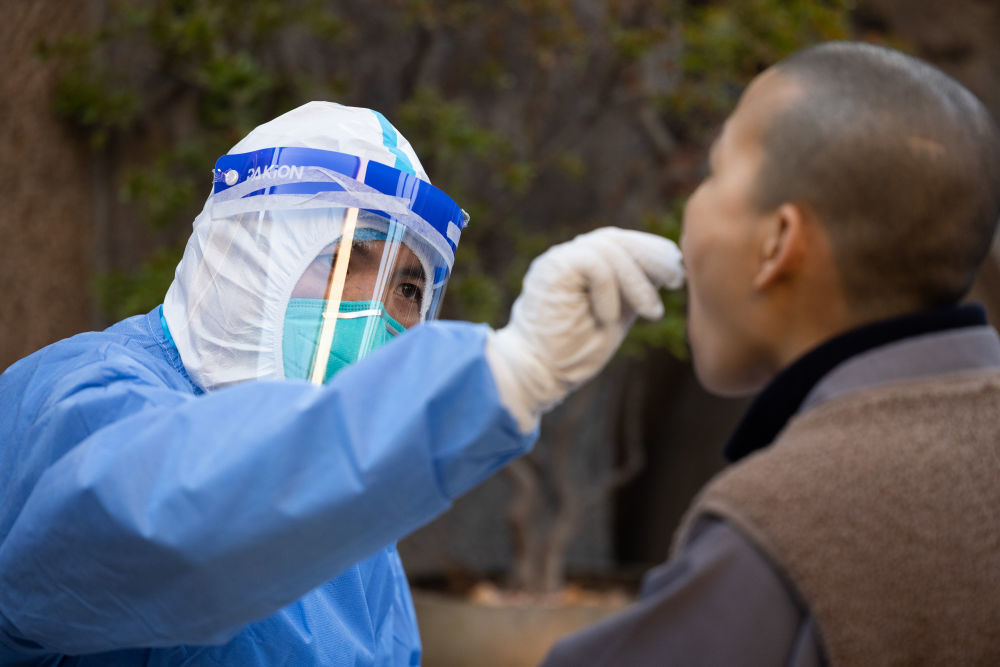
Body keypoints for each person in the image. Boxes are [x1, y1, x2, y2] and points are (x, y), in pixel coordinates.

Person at [0, 102, 684, 665]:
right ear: (249, 254)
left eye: (409, 286)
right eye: (344, 260)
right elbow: (173, 528)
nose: (377, 309)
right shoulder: (78, 400)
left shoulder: (355, 524)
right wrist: (499, 378)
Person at [543, 41, 1000, 666]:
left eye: (712, 172)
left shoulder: (791, 525)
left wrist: (500, 382)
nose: (688, 212)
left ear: (778, 241)